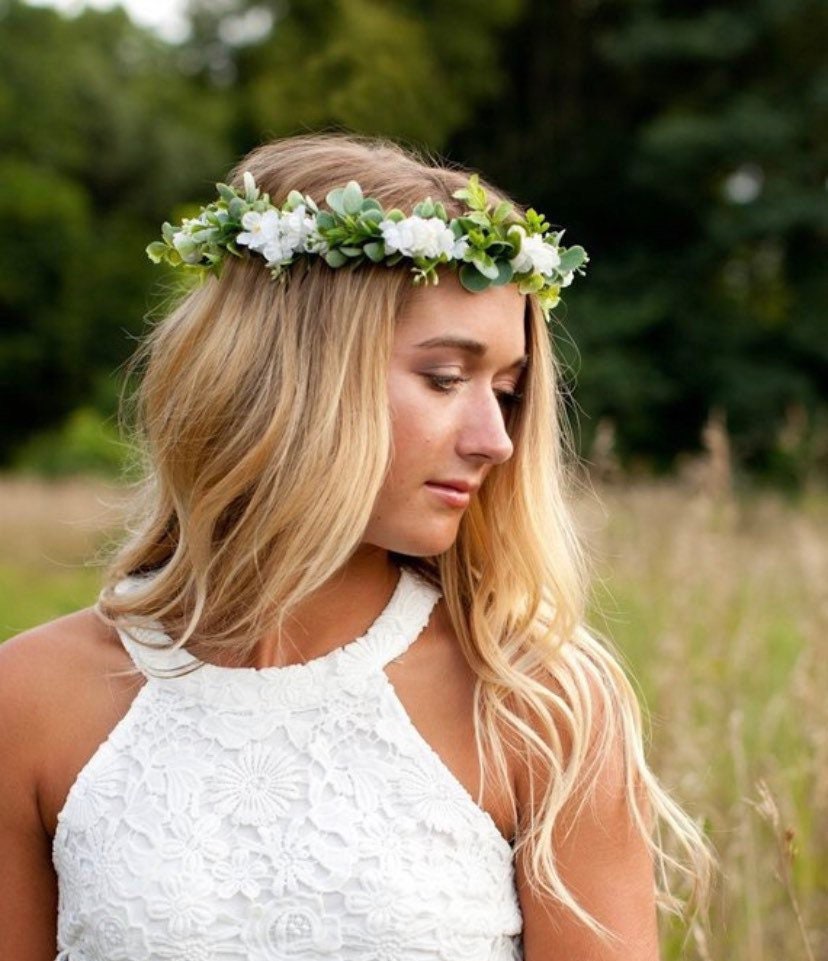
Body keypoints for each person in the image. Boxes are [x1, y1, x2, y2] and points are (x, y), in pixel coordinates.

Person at [0, 133, 711, 961]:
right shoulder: (30, 700)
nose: (496, 439)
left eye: (509, 392)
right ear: (286, 376)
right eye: (446, 378)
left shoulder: (539, 706)